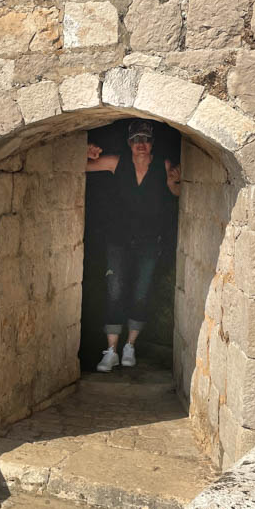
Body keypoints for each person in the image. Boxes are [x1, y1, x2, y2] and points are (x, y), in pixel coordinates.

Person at [86, 119, 181, 372]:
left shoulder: (163, 166)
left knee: (141, 292)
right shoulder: (117, 162)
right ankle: (111, 351)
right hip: (118, 239)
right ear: (129, 143)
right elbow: (77, 165)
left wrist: (173, 184)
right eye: (136, 139)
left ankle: (130, 346)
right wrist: (85, 151)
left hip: (149, 240)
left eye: (146, 139)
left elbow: (178, 192)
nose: (141, 144)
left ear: (152, 144)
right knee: (115, 291)